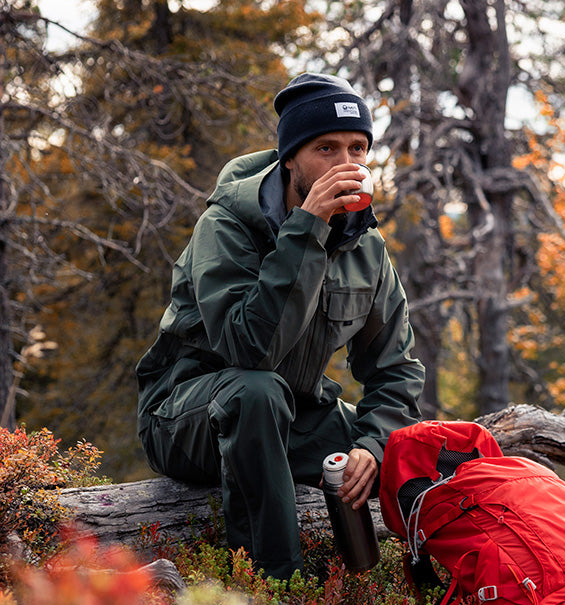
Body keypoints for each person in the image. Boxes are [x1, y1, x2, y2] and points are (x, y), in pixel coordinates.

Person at [136, 73, 425, 579]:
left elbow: (395, 370)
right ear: (290, 157)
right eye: (326, 148)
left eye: (358, 148)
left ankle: (419, 591)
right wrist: (307, 231)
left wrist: (371, 446)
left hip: (290, 413)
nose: (347, 164)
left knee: (416, 447)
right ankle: (273, 594)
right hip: (185, 418)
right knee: (257, 392)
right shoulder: (226, 227)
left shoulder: (366, 247)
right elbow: (251, 350)